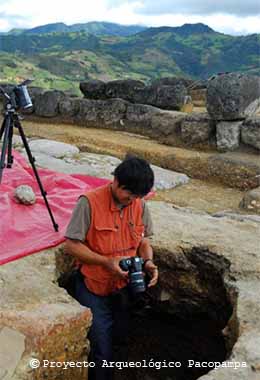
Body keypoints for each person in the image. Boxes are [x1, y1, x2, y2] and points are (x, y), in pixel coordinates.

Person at [64, 156, 158, 380]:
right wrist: (106, 262)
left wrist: (148, 262)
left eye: (137, 196)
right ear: (116, 181)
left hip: (124, 288)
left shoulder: (139, 204)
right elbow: (72, 245)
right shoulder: (88, 203)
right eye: (130, 194)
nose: (132, 200)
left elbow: (144, 242)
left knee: (121, 335)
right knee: (101, 347)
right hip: (93, 287)